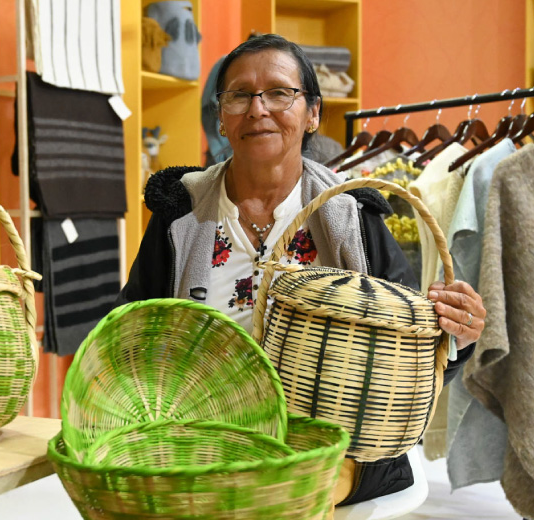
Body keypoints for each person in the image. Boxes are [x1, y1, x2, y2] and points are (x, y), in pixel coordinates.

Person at [117, 34, 487, 506]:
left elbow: (409, 352)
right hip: (204, 432)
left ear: (312, 113)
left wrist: (457, 334)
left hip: (330, 435)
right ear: (222, 118)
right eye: (239, 95)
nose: (258, 109)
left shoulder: (353, 215)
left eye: (279, 92)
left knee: (327, 478)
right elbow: (132, 327)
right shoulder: (179, 212)